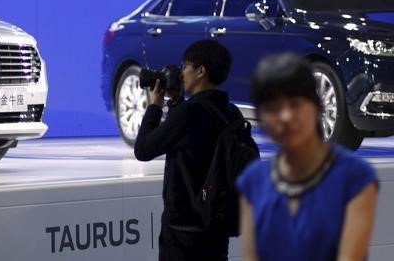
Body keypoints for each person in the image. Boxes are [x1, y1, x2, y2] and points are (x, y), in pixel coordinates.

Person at [236, 53, 378, 261]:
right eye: (272, 108)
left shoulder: (354, 178)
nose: (284, 117)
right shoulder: (254, 181)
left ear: (317, 106)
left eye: (294, 104)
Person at [134, 39, 257, 261]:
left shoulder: (187, 114)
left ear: (201, 71)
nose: (181, 73)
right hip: (216, 230)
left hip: (182, 233)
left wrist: (154, 106)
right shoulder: (233, 114)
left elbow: (143, 149)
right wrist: (176, 102)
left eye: (185, 66)